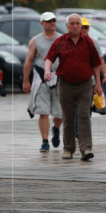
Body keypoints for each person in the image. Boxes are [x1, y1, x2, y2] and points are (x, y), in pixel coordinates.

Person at [44, 13, 102, 161]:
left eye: (77, 23)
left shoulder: (88, 42)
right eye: (72, 23)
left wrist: (99, 84)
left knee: (84, 116)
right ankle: (68, 149)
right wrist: (47, 70)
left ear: (81, 26)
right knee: (68, 118)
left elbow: (96, 64)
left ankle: (86, 149)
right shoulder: (60, 41)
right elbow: (49, 58)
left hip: (85, 85)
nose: (75, 26)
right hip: (65, 84)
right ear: (67, 26)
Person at [23, 12, 63, 153]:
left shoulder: (62, 39)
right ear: (42, 23)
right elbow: (28, 60)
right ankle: (45, 141)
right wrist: (26, 80)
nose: (52, 23)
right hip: (41, 78)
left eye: (53, 20)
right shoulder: (36, 40)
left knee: (60, 113)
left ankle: (56, 129)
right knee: (43, 111)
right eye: (48, 21)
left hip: (59, 79)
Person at [81, 18, 106, 84]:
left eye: (86, 27)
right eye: (82, 28)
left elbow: (100, 59)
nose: (83, 30)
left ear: (89, 28)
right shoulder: (71, 42)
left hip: (90, 78)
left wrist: (105, 75)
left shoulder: (93, 42)